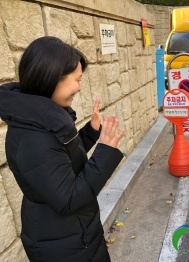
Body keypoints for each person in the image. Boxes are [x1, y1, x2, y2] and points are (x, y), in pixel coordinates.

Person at [0, 36, 125, 261]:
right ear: (52, 78)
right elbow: (68, 199)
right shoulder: (33, 137)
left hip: (73, 234)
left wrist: (91, 132)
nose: (79, 87)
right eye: (76, 80)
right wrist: (105, 153)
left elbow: (63, 159)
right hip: (62, 244)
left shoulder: (42, 119)